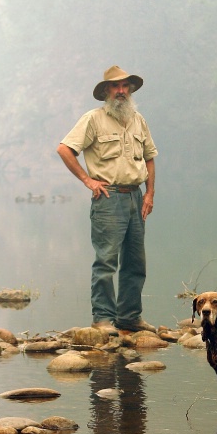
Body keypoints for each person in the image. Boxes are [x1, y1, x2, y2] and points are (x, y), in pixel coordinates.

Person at [57, 65, 158, 334]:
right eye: (115, 86)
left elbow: (149, 156)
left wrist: (149, 193)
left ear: (131, 89)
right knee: (106, 261)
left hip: (136, 197)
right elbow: (65, 149)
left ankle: (129, 318)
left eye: (125, 86)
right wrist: (87, 180)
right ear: (106, 92)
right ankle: (102, 319)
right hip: (108, 197)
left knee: (136, 262)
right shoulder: (93, 119)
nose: (121, 91)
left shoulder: (138, 119)